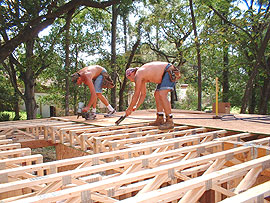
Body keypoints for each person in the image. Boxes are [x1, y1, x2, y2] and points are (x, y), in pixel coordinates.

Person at [125, 61, 180, 130]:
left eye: (130, 79)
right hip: (165, 73)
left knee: (162, 94)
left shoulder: (138, 74)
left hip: (168, 71)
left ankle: (169, 120)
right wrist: (135, 107)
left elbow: (136, 94)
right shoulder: (141, 76)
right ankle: (160, 118)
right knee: (157, 94)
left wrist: (129, 108)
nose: (132, 81)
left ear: (131, 74)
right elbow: (143, 94)